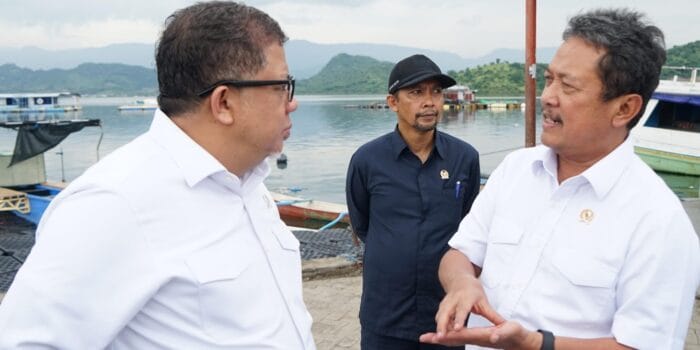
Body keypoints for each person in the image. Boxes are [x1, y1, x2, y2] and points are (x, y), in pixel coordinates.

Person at [0, 2, 316, 349]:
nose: (291, 102)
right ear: (224, 102)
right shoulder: (114, 203)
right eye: (282, 86)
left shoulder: (247, 184)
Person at [420, 8, 700, 350]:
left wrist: (537, 344)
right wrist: (463, 282)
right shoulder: (515, 170)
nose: (547, 96)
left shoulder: (658, 220)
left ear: (625, 109)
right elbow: (460, 253)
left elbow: (643, 345)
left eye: (568, 86)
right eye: (550, 79)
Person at [346, 54, 481, 349]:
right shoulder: (367, 160)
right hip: (386, 315)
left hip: (446, 313)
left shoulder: (464, 158)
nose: (429, 101)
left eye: (436, 91)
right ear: (393, 102)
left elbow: (470, 228)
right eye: (416, 93)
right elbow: (362, 223)